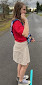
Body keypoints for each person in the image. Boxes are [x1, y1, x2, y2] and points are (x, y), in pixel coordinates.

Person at [11, 1, 35, 84]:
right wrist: (26, 21)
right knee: (25, 63)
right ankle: (21, 81)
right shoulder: (17, 22)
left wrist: (30, 37)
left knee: (20, 62)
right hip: (21, 46)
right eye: (23, 9)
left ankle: (19, 76)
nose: (25, 11)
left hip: (21, 44)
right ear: (18, 10)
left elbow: (25, 33)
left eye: (25, 9)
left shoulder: (19, 21)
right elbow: (25, 33)